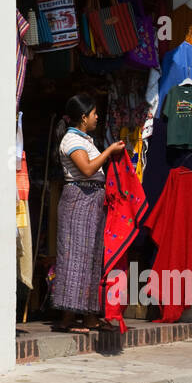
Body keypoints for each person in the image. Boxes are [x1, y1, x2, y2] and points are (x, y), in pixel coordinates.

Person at [52, 94, 126, 334]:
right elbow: (86, 169)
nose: (97, 117)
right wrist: (109, 151)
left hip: (90, 201)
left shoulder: (85, 139)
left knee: (91, 259)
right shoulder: (72, 140)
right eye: (94, 113)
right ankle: (68, 317)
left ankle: (89, 317)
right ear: (83, 118)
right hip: (79, 201)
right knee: (75, 259)